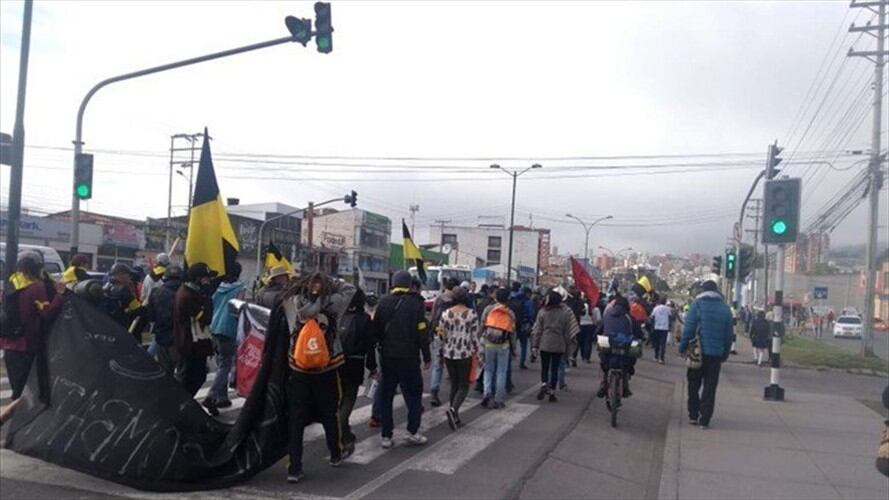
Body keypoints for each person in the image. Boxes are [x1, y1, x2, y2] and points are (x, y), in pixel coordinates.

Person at [273, 272, 355, 483]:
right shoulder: (332, 302)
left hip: (298, 368)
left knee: (296, 419)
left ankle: (294, 467)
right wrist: (332, 281)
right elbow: (350, 290)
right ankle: (335, 454)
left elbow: (275, 297)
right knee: (330, 413)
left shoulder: (291, 302)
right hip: (326, 369)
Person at [372, 270, 431, 449]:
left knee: (386, 396)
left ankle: (386, 436)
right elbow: (422, 333)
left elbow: (376, 331)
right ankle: (412, 432)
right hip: (410, 358)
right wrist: (426, 356)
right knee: (414, 396)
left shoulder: (383, 302)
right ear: (410, 285)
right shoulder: (416, 305)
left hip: (387, 357)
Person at [0, 255, 64, 400]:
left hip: (9, 344)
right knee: (26, 392)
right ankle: (19, 420)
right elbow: (47, 313)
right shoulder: (36, 288)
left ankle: (14, 417)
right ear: (38, 268)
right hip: (26, 344)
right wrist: (59, 295)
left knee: (17, 388)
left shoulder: (10, 285)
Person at [679, 280, 734, 429]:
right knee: (710, 386)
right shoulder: (725, 308)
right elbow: (729, 335)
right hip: (715, 354)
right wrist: (725, 353)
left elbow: (689, 329)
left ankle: (693, 414)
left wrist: (682, 347)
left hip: (698, 352)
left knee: (693, 383)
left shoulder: (697, 305)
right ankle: (705, 418)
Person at [203, 262, 245, 415]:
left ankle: (222, 397)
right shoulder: (240, 287)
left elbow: (212, 303)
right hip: (229, 328)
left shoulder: (219, 287)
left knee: (221, 362)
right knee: (226, 365)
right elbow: (238, 308)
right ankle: (212, 395)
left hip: (215, 327)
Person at [338, 288, 377, 447]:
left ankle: (344, 429)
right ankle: (341, 429)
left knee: (340, 397)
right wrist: (372, 367)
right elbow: (370, 346)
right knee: (349, 397)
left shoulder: (340, 317)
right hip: (355, 362)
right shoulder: (365, 319)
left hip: (337, 362)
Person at [438, 286, 479, 429]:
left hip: (449, 353)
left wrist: (440, 351)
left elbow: (441, 335)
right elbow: (475, 337)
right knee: (464, 385)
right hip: (464, 353)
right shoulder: (471, 314)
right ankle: (453, 410)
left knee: (454, 385)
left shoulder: (446, 313)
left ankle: (454, 416)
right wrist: (479, 354)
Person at [173, 263, 216, 398]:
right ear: (197, 279)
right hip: (191, 344)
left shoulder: (190, 292)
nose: (208, 281)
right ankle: (182, 405)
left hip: (193, 343)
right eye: (206, 278)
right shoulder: (187, 296)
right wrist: (208, 297)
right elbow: (205, 318)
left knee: (195, 376)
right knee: (192, 378)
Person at [531, 290, 579, 403]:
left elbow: (537, 330)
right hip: (559, 344)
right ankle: (552, 392)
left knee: (545, 367)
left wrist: (534, 345)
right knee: (555, 369)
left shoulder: (542, 312)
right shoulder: (565, 313)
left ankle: (543, 384)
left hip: (545, 343)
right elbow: (567, 332)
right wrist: (568, 347)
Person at [596, 294, 640, 398]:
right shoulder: (630, 318)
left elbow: (599, 329)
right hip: (623, 344)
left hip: (607, 343)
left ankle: (603, 384)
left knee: (604, 362)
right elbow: (637, 332)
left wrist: (596, 336)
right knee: (633, 351)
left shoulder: (607, 315)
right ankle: (626, 383)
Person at [480, 287, 515, 409]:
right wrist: (514, 349)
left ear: (495, 298)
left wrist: (479, 340)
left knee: (488, 370)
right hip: (503, 345)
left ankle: (487, 393)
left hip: (488, 343)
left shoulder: (488, 309)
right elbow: (512, 333)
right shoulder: (510, 313)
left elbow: (482, 325)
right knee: (501, 371)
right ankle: (498, 399)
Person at [146, 265, 182, 375]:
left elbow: (151, 316)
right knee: (181, 372)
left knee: (165, 371)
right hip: (180, 338)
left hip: (161, 337)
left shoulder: (156, 292)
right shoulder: (185, 293)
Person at [103, 263, 144, 341]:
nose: (130, 277)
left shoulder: (106, 287)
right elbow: (137, 308)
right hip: (124, 326)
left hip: (109, 326)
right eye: (128, 274)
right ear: (120, 274)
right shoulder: (123, 290)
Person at [577, 299, 600, 364]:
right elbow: (598, 319)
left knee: (582, 341)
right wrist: (595, 323)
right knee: (588, 342)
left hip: (581, 325)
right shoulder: (595, 308)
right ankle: (587, 357)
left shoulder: (581, 306)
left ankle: (582, 355)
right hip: (590, 325)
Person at [650, 297, 671, 364]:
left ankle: (656, 357)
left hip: (657, 327)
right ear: (665, 302)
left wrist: (652, 326)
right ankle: (661, 359)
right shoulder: (668, 309)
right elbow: (670, 317)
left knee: (657, 343)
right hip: (664, 328)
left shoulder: (656, 308)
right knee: (663, 344)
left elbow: (652, 317)